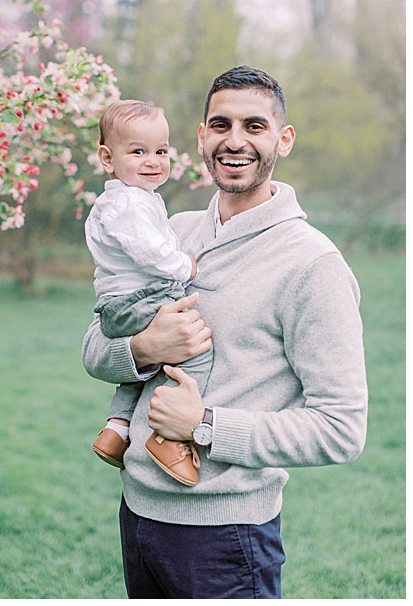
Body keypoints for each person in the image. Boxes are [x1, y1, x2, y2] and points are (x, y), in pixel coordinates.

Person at [82, 66, 367, 598]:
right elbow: (95, 347)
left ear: (283, 139)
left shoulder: (312, 264)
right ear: (201, 137)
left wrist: (205, 424)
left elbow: (342, 428)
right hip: (137, 513)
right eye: (221, 124)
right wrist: (144, 349)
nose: (235, 141)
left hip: (227, 536)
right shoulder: (167, 231)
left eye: (254, 126)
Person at [86, 100, 209, 486]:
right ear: (107, 158)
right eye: (138, 151)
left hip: (123, 302)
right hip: (135, 300)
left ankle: (117, 428)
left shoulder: (134, 199)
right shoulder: (127, 202)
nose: (153, 160)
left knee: (143, 371)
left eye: (161, 151)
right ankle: (169, 437)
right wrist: (183, 265)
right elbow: (149, 252)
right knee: (192, 348)